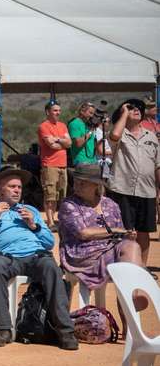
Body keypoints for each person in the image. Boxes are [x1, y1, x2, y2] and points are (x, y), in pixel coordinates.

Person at [0, 168, 78, 350]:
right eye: (12, 186)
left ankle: (65, 331)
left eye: (19, 187)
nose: (17, 190)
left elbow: (49, 242)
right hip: (6, 257)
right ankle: (2, 328)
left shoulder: (29, 210)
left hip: (35, 255)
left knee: (51, 267)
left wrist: (34, 225)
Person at [58, 164, 144, 295]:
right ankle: (131, 297)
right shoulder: (68, 205)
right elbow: (83, 233)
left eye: (83, 183)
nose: (77, 186)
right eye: (76, 182)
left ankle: (131, 298)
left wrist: (127, 236)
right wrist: (115, 231)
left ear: (95, 185)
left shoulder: (110, 204)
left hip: (109, 250)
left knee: (132, 246)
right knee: (129, 258)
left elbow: (120, 235)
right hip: (82, 255)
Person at [106, 99, 160, 267]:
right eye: (131, 108)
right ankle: (124, 265)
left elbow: (157, 165)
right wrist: (123, 112)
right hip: (122, 190)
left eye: (139, 108)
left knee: (144, 232)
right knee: (125, 231)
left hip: (147, 190)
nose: (136, 110)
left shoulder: (151, 136)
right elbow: (114, 136)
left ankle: (142, 268)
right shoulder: (119, 133)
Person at [38, 101, 72, 229]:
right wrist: (62, 142)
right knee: (50, 194)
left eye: (59, 110)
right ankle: (50, 221)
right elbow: (50, 144)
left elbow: (69, 144)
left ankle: (60, 219)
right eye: (55, 110)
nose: (58, 113)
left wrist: (57, 139)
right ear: (48, 112)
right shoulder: (44, 126)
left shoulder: (62, 125)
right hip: (50, 165)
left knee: (62, 194)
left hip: (62, 165)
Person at [67, 102, 99, 167]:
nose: (92, 116)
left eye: (93, 114)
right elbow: (78, 143)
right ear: (82, 111)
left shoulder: (88, 125)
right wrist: (90, 132)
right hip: (81, 161)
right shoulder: (74, 123)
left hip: (93, 161)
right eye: (90, 113)